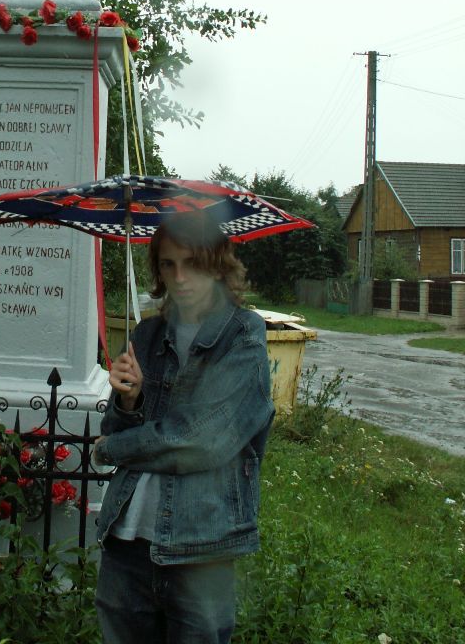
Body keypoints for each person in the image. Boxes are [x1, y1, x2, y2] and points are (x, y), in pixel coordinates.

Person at [94, 210, 275, 644]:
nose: (179, 277)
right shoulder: (147, 335)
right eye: (168, 264)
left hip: (201, 547)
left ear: (217, 265)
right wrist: (129, 400)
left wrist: (109, 450)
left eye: (192, 263)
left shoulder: (243, 336)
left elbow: (201, 441)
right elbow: (116, 425)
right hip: (126, 542)